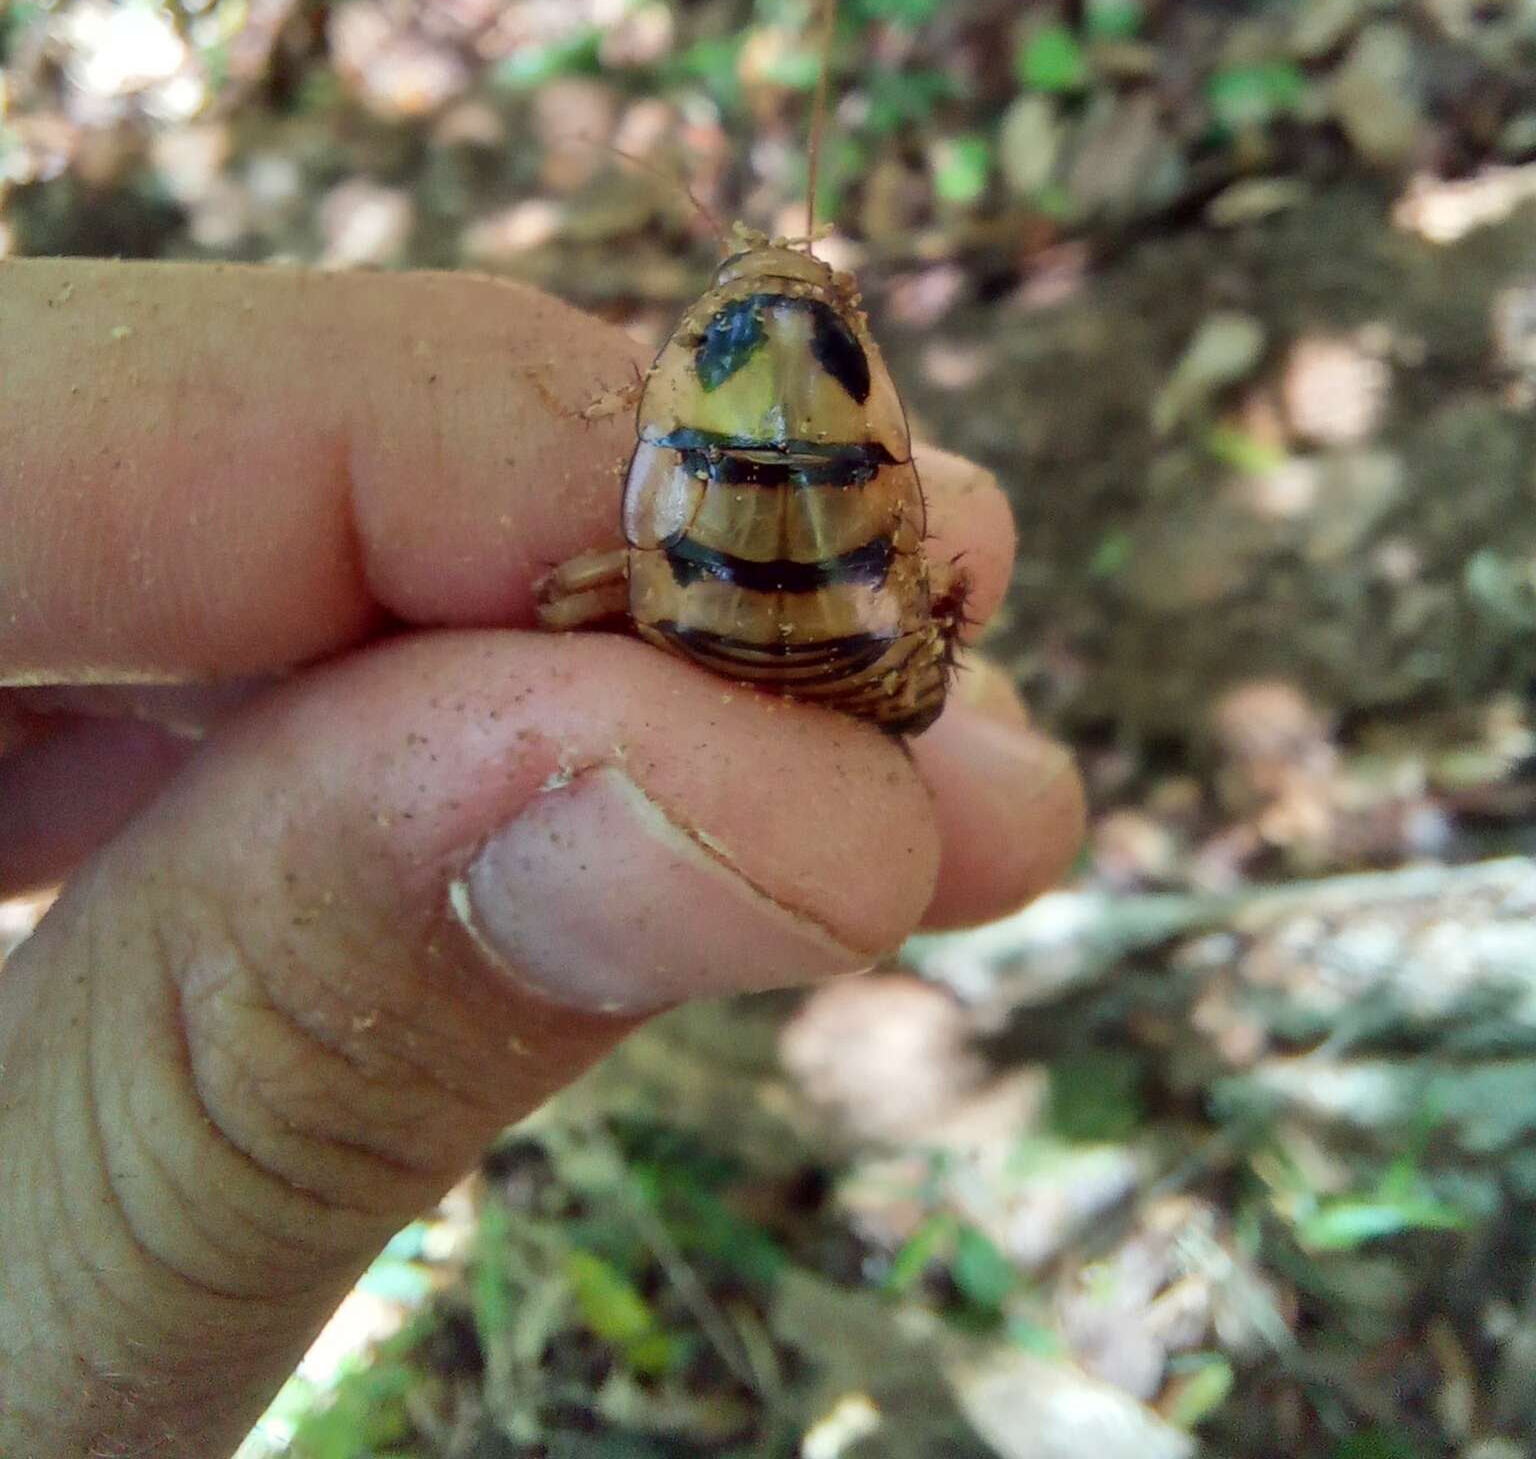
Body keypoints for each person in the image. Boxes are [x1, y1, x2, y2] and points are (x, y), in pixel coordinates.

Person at [0, 258, 1084, 1458]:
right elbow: (920, 562)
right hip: (848, 672)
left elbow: (596, 575)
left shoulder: (670, 444)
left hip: (699, 654)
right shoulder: (872, 458)